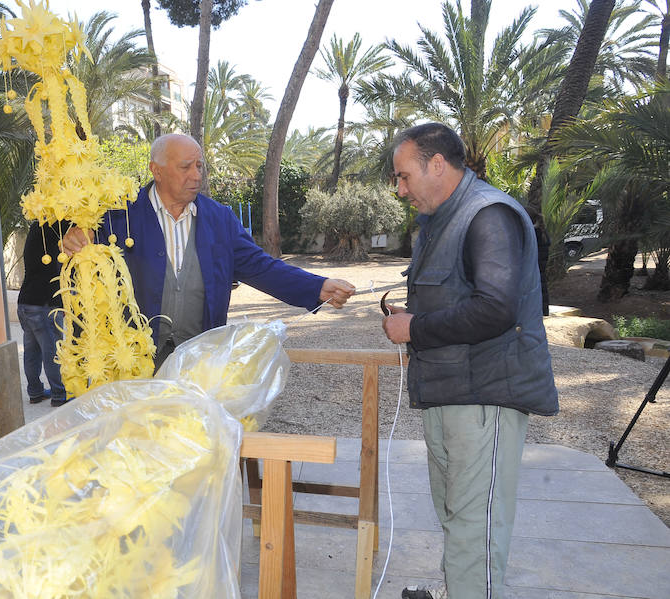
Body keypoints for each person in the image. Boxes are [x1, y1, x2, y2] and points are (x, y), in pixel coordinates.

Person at [381, 123, 559, 599]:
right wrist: (414, 319)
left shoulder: (488, 214)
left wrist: (413, 328)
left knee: (475, 527)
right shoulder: (442, 219)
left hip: (485, 398)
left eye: (403, 176)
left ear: (437, 164)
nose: (400, 190)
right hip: (450, 394)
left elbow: (496, 309)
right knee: (458, 516)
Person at [62, 133, 355, 368]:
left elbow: (261, 267)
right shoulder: (117, 215)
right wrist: (73, 240)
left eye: (199, 166)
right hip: (132, 363)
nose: (196, 175)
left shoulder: (220, 219)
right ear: (157, 170)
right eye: (185, 167)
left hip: (198, 359)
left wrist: (318, 287)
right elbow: (76, 266)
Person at [17, 220, 70, 407]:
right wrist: (62, 303)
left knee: (31, 351)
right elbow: (55, 271)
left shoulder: (35, 229)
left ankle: (35, 392)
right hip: (43, 303)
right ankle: (59, 394)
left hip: (25, 301)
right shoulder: (53, 230)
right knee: (52, 352)